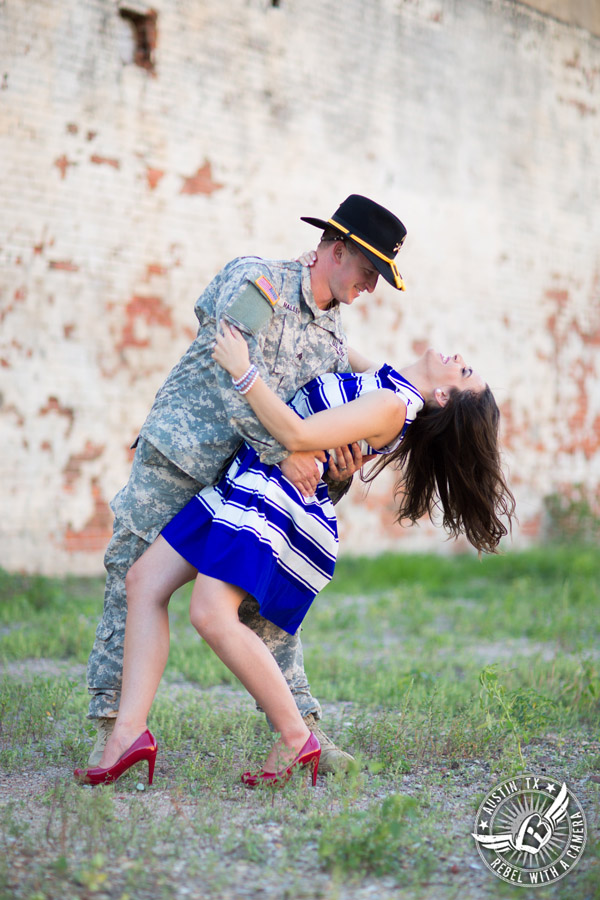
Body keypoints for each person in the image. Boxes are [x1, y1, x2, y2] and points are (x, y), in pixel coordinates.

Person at [74, 329, 515, 788]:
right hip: (246, 482)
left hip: (276, 501)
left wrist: (241, 369)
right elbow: (336, 345)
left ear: (443, 396)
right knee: (143, 581)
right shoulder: (384, 382)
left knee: (210, 613)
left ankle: (295, 735)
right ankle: (128, 733)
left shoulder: (392, 406)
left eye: (464, 371)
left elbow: (297, 433)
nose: (459, 357)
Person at [84, 194, 409, 774]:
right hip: (180, 457)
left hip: (240, 482)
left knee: (261, 605)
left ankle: (305, 732)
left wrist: (335, 466)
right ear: (335, 250)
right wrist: (287, 449)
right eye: (367, 272)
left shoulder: (333, 337)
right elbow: (224, 364)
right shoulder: (260, 282)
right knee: (130, 580)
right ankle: (115, 729)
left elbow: (317, 423)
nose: (370, 288)